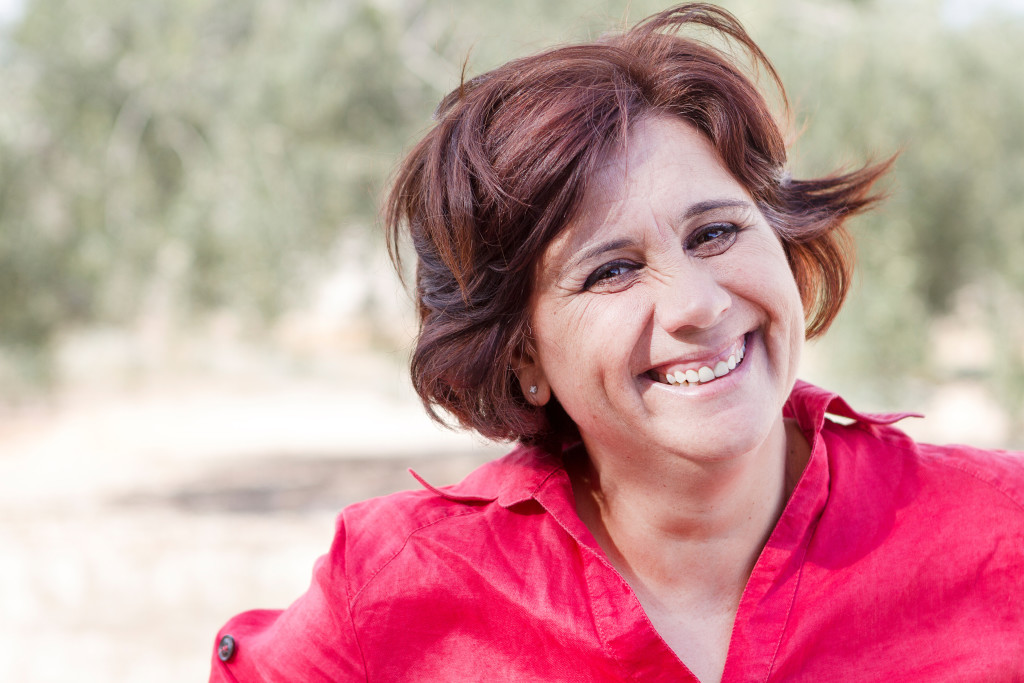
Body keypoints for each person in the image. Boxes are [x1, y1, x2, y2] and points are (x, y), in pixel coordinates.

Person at [209, 4, 1024, 681]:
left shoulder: (1001, 531)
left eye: (714, 231)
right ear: (521, 355)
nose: (698, 305)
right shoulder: (395, 589)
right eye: (611, 271)